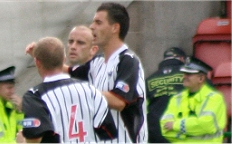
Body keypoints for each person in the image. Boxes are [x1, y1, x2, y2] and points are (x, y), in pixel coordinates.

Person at [61, 2, 148, 143]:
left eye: (98, 22)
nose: (92, 27)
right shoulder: (97, 63)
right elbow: (68, 71)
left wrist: (83, 91)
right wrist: (42, 55)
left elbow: (119, 101)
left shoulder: (128, 61)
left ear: (115, 28)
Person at [21, 37, 117, 143]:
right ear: (64, 59)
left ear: (37, 62)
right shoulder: (91, 90)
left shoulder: (34, 96)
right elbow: (109, 133)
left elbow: (35, 138)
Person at [160, 57, 226, 143]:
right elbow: (164, 127)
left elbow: (206, 125)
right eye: (184, 73)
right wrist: (191, 130)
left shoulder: (214, 98)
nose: (184, 76)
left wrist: (175, 125)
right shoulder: (176, 99)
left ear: (201, 78)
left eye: (189, 74)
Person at [146, 47, 187, 143]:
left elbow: (141, 108)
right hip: (183, 131)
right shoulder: (191, 77)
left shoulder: (149, 80)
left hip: (156, 133)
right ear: (182, 59)